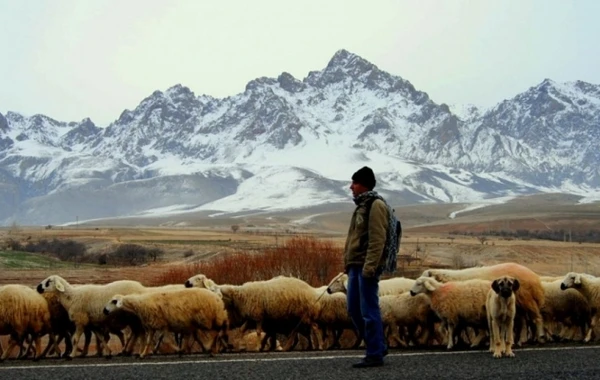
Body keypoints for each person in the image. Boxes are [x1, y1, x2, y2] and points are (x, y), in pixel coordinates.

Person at [344, 166, 389, 368]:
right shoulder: (361, 205)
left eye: (354, 183)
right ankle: (378, 344)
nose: (351, 186)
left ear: (363, 184)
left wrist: (370, 267)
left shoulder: (375, 205)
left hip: (366, 266)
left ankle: (374, 353)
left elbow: (377, 239)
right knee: (353, 309)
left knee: (368, 310)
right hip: (355, 265)